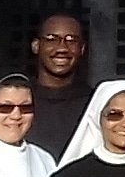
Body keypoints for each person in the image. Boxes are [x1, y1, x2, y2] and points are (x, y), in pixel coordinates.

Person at [27, 14, 92, 160]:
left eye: (71, 40)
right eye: (51, 39)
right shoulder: (17, 102)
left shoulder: (95, 103)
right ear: (36, 46)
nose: (62, 48)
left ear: (82, 49)